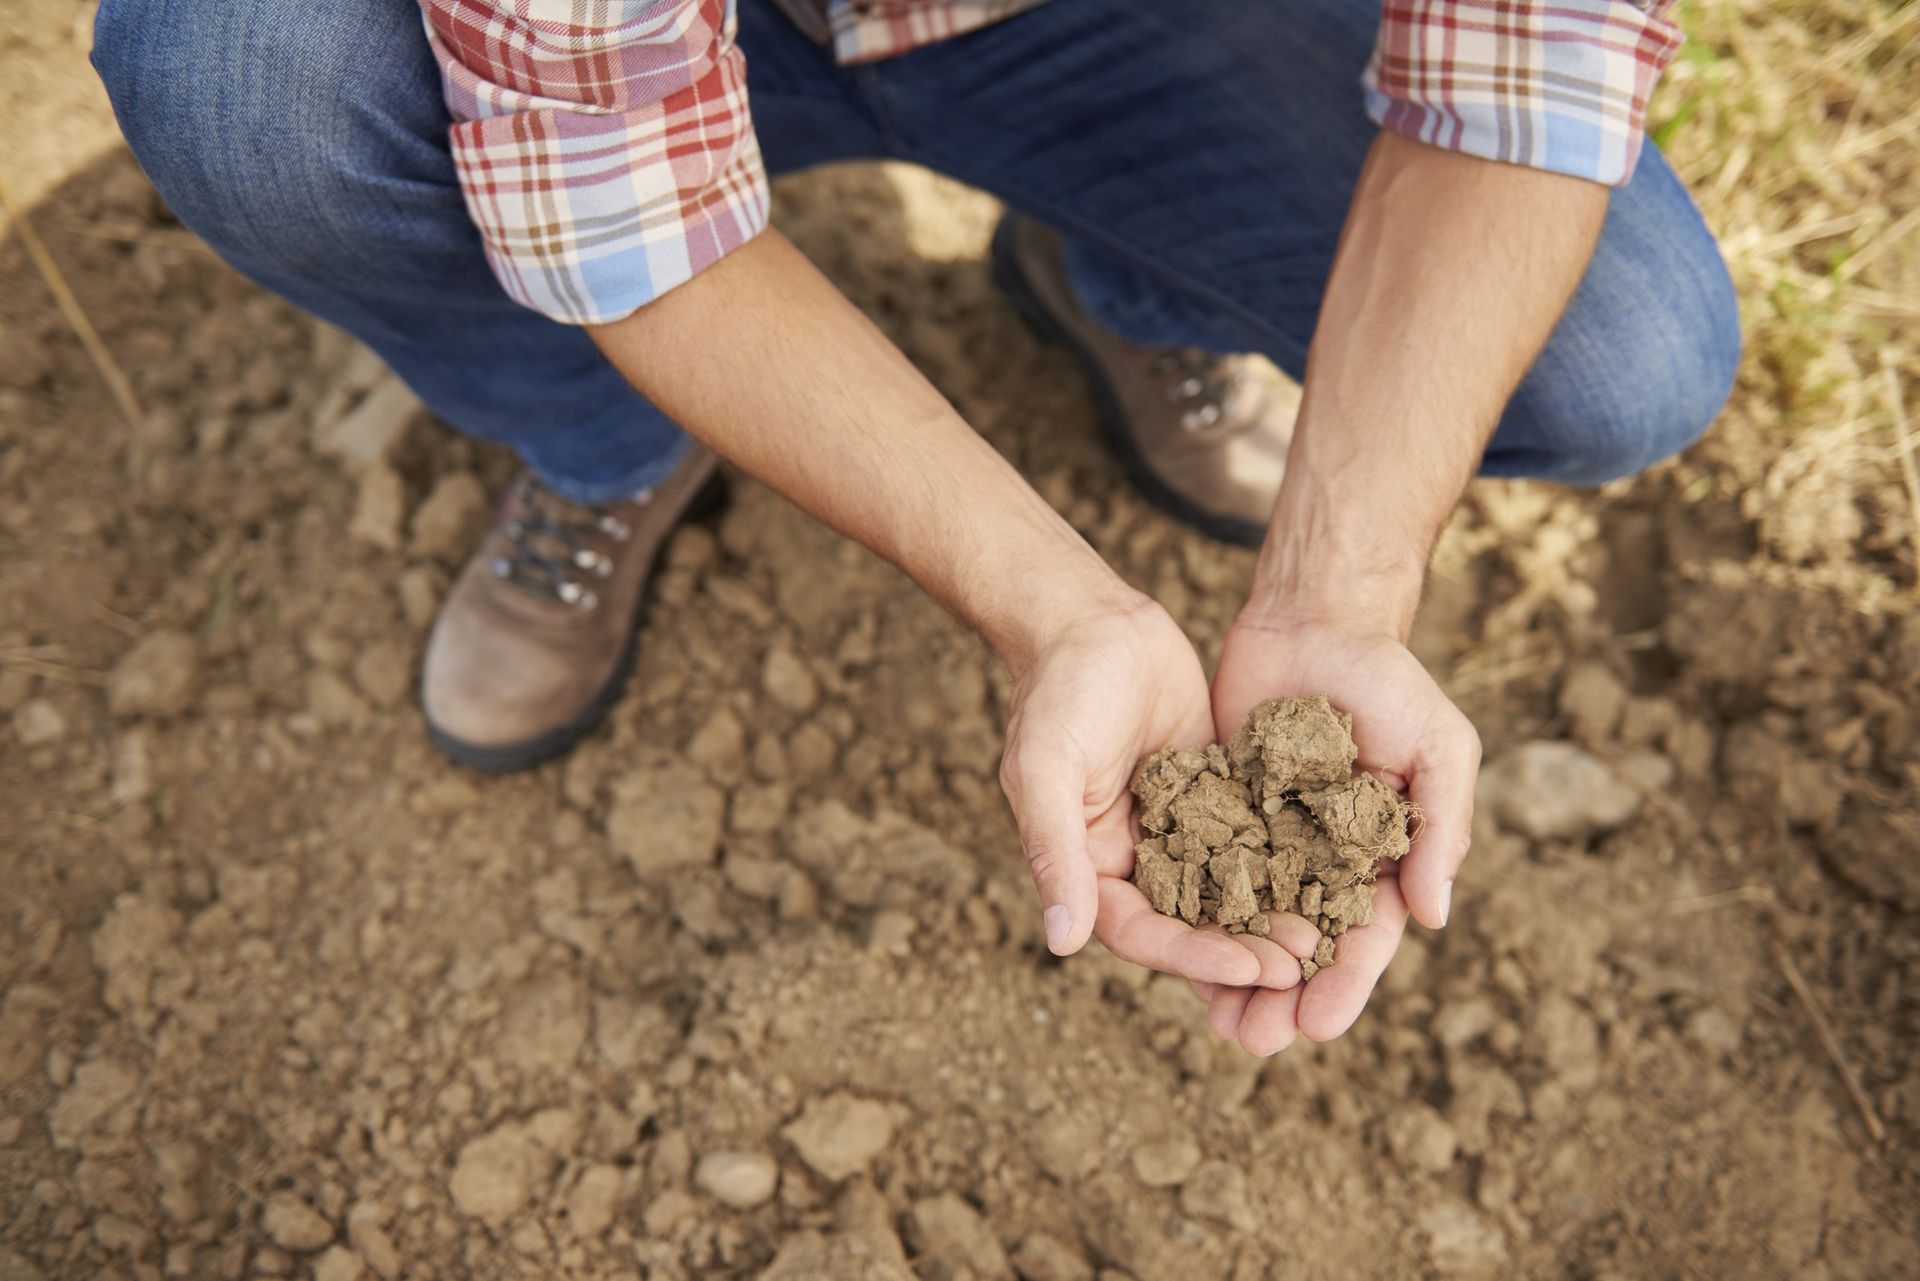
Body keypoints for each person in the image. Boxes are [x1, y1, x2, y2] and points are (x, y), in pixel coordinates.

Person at [89, 0, 1739, 1055]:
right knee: (245, 72)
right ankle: (607, 439)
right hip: (613, 46)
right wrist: (1055, 608)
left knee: (1619, 349)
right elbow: (615, 183)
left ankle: (1129, 288)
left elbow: (1535, 53)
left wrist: (1346, 585)